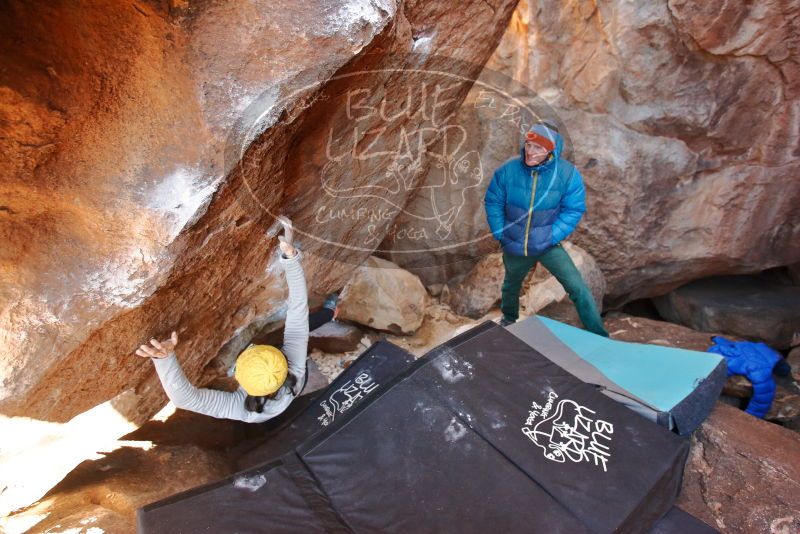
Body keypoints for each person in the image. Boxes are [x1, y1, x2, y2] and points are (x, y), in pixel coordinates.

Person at [135, 216, 309, 422]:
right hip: (289, 389)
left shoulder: (244, 411)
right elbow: (298, 310)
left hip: (276, 400)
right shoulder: (294, 366)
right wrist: (290, 257)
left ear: (238, 376)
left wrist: (165, 359)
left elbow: (186, 400)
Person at [484, 121, 608, 336]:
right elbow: (493, 201)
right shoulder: (508, 169)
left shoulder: (567, 174)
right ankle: (509, 320)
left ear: (551, 150)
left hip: (547, 244)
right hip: (514, 242)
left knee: (577, 287)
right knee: (510, 286)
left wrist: (551, 235)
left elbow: (574, 209)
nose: (531, 152)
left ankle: (599, 335)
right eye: (529, 145)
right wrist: (500, 233)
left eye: (539, 148)